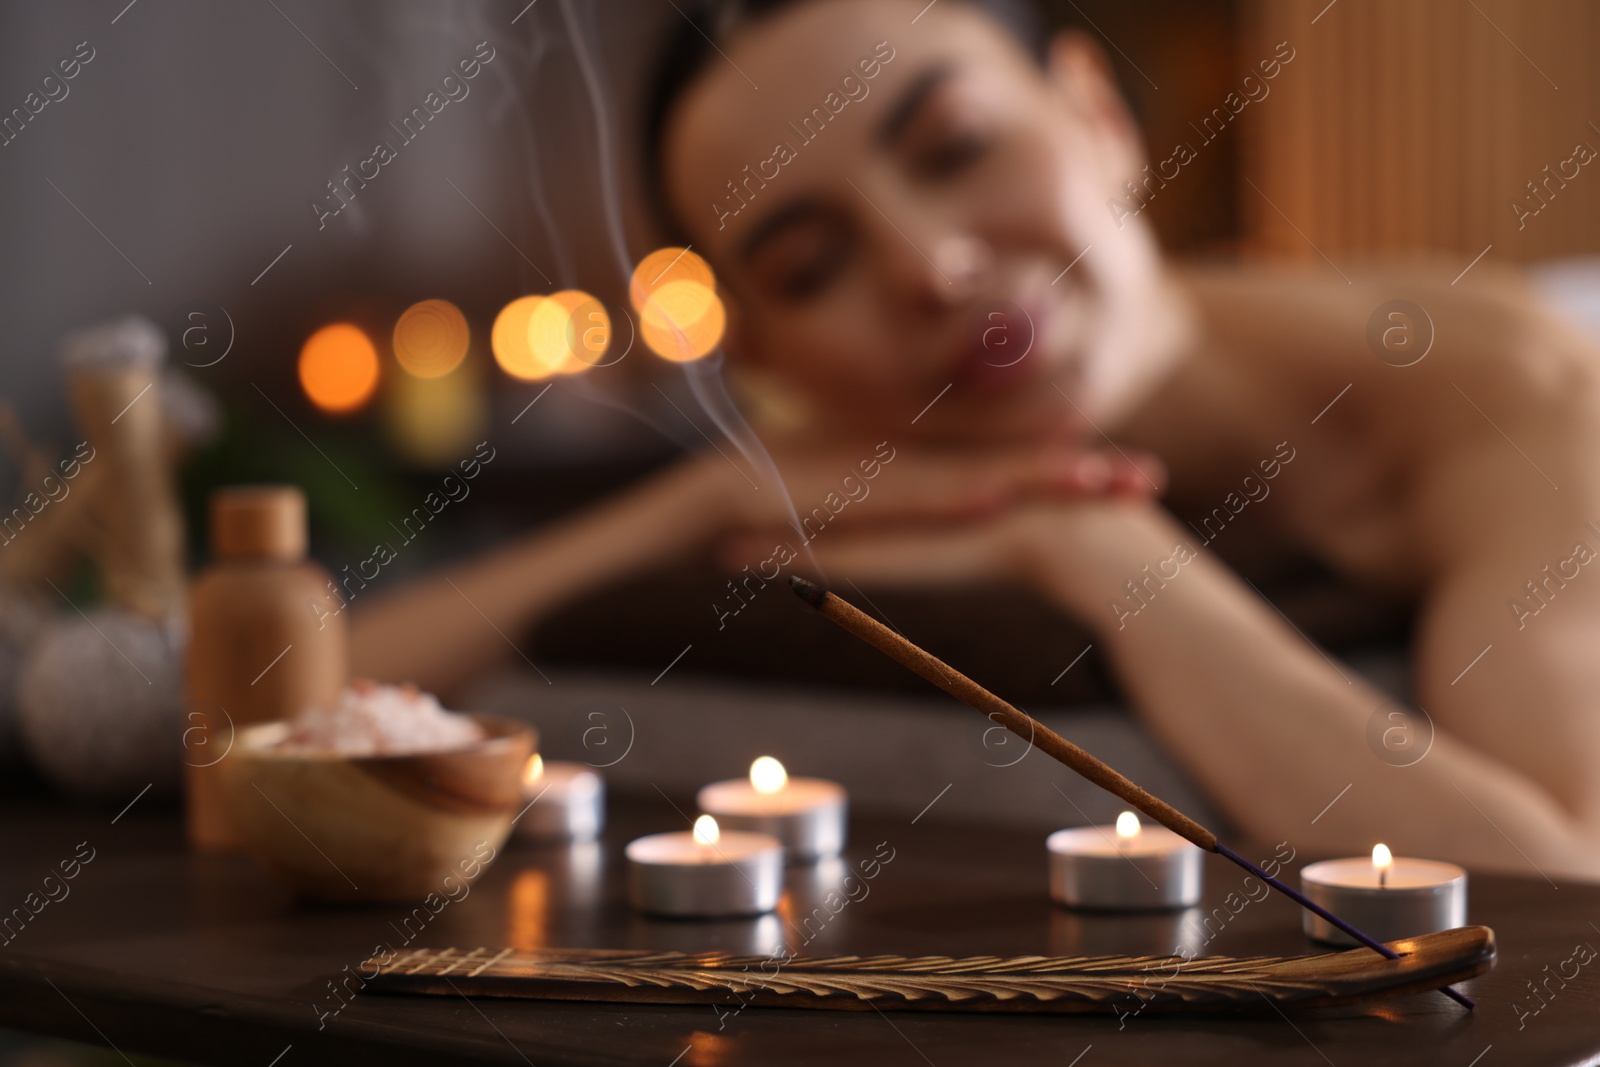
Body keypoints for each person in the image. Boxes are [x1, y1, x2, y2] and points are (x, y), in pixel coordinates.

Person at [354, 0, 1600, 879]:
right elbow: (299, 691)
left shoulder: (1516, 393)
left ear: (1099, 115)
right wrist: (705, 499)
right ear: (764, 359)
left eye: (957, 148)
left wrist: (1109, 560)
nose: (930, 265)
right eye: (811, 263)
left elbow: (1563, 893)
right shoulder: (836, 454)